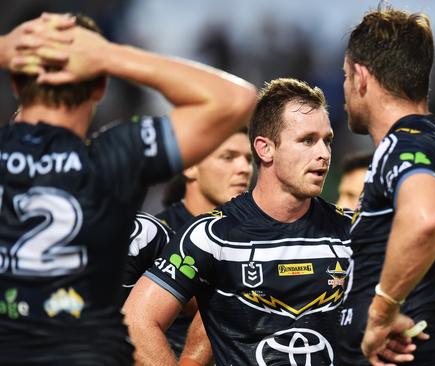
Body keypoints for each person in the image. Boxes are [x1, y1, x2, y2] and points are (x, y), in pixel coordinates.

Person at [0, 13, 256, 365]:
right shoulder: (114, 156)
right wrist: (110, 56)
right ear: (100, 87)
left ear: (15, 82)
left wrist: (4, 47)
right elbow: (234, 98)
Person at [123, 78, 353, 365]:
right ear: (265, 148)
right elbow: (136, 322)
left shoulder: (352, 232)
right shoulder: (212, 236)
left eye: (327, 140)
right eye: (307, 140)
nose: (323, 153)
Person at [337, 8, 435, 366]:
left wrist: (381, 313)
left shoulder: (402, 146)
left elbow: (427, 216)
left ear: (362, 77)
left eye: (346, 76)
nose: (345, 89)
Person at [124, 129, 253, 362]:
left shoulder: (260, 239)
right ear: (190, 167)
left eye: (248, 159)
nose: (244, 168)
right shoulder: (151, 239)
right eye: (228, 157)